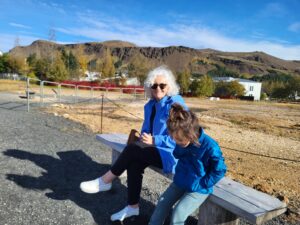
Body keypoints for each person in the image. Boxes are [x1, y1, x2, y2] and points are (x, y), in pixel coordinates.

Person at [80, 65, 186, 222]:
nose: (158, 88)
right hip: (154, 149)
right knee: (134, 162)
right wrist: (143, 138)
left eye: (162, 85)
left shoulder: (175, 105)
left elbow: (180, 138)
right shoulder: (149, 105)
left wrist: (154, 140)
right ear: (149, 87)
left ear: (169, 87)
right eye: (154, 85)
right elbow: (146, 130)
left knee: (132, 151)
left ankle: (105, 180)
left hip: (172, 154)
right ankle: (132, 207)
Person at [148, 103, 227, 225]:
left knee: (178, 214)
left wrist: (202, 183)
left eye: (179, 140)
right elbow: (177, 154)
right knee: (162, 202)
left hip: (199, 187)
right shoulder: (182, 140)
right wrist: (181, 146)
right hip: (181, 180)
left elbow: (220, 170)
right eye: (174, 139)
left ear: (191, 134)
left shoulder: (210, 146)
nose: (176, 142)